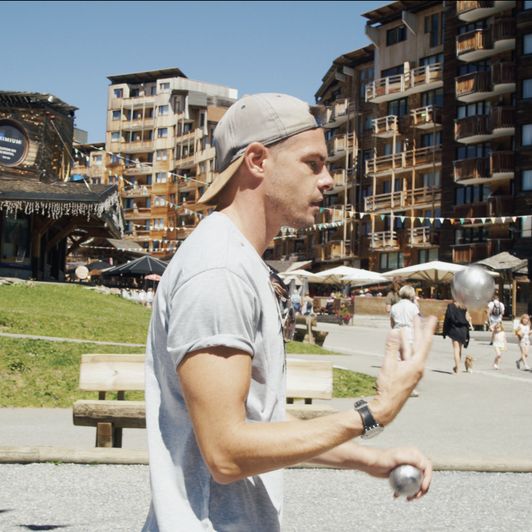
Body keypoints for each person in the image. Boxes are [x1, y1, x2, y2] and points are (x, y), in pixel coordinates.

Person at [141, 93, 435, 531]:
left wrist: (370, 458)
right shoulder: (219, 270)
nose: (328, 180)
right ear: (257, 160)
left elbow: (265, 419)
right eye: (313, 163)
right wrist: (375, 411)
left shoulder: (239, 262)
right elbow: (226, 452)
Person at [442, 300, 470, 376]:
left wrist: (444, 331)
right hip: (463, 329)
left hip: (454, 328)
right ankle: (457, 366)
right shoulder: (464, 306)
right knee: (459, 350)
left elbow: (447, 318)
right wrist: (467, 334)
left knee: (456, 349)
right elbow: (467, 320)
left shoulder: (451, 306)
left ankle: (458, 370)